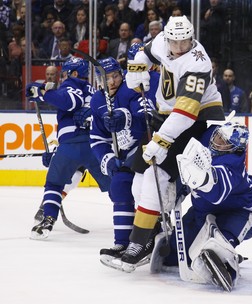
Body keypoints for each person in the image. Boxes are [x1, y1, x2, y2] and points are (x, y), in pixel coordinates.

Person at [121, 15, 225, 272]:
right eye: (176, 42)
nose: (180, 47)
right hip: (166, 116)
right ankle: (152, 231)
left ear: (192, 38)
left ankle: (138, 242)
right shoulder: (161, 41)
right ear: (167, 38)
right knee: (138, 177)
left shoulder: (197, 63)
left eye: (186, 41)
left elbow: (187, 113)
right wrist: (137, 70)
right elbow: (144, 53)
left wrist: (162, 140)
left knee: (155, 177)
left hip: (197, 119)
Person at [156, 122, 252, 291]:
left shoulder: (232, 163)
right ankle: (215, 251)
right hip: (203, 211)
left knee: (217, 245)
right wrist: (178, 189)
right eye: (218, 136)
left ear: (234, 148)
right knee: (172, 255)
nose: (217, 141)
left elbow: (215, 193)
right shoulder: (210, 138)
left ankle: (227, 262)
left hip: (239, 213)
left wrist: (200, 178)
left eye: (224, 141)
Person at [25, 56, 111, 240]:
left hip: (73, 143)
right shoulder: (94, 90)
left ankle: (47, 218)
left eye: (65, 74)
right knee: (117, 186)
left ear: (73, 73)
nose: (62, 78)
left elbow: (70, 102)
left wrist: (42, 94)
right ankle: (136, 220)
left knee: (54, 184)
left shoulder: (72, 84)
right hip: (97, 144)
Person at [89, 52, 159, 270]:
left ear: (121, 75)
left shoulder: (131, 88)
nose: (111, 81)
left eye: (115, 76)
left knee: (141, 191)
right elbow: (97, 139)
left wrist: (124, 116)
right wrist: (108, 160)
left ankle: (146, 237)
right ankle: (122, 244)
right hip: (121, 157)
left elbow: (147, 113)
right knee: (119, 188)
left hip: (143, 150)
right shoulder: (97, 100)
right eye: (106, 78)